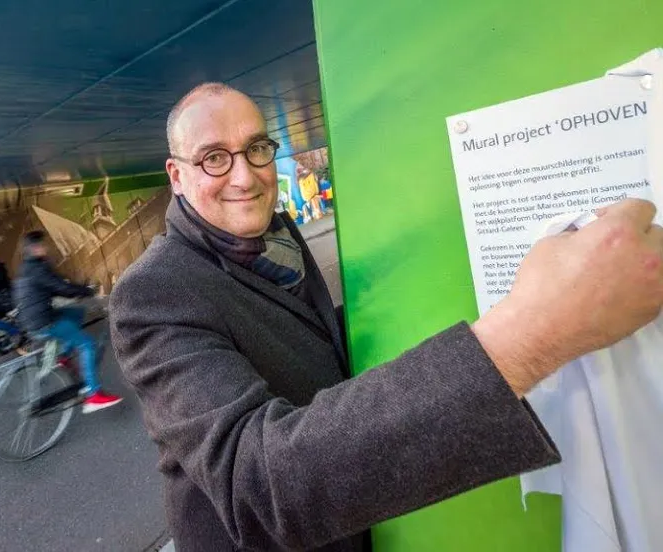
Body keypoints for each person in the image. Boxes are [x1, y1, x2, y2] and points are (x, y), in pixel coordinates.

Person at [108, 82, 663, 551]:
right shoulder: (152, 294)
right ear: (177, 176)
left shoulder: (277, 238)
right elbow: (259, 484)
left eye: (256, 148)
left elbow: (302, 344)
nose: (245, 177)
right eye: (213, 158)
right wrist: (530, 334)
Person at [14, 231, 122, 413]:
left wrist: (79, 288)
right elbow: (61, 287)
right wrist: (88, 292)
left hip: (33, 319)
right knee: (88, 344)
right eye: (40, 245)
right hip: (43, 322)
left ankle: (64, 355)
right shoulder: (37, 268)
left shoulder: (28, 267)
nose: (44, 247)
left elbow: (57, 284)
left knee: (76, 312)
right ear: (32, 249)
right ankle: (93, 395)